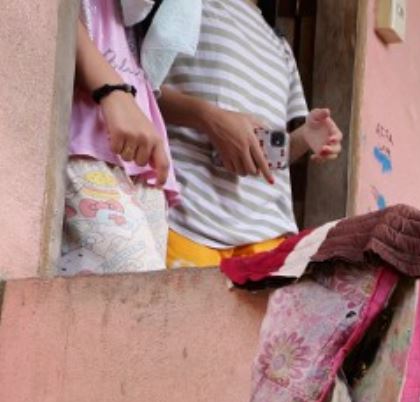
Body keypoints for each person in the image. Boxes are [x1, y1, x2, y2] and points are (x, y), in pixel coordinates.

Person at [154, 0, 341, 268]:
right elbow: (136, 88)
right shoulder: (186, 5)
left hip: (267, 233)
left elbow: (269, 150)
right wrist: (210, 118)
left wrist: (304, 138)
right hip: (185, 215)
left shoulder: (280, 47)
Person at [60, 0, 178, 276]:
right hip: (83, 139)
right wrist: (111, 91)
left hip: (141, 153)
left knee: (145, 303)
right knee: (145, 304)